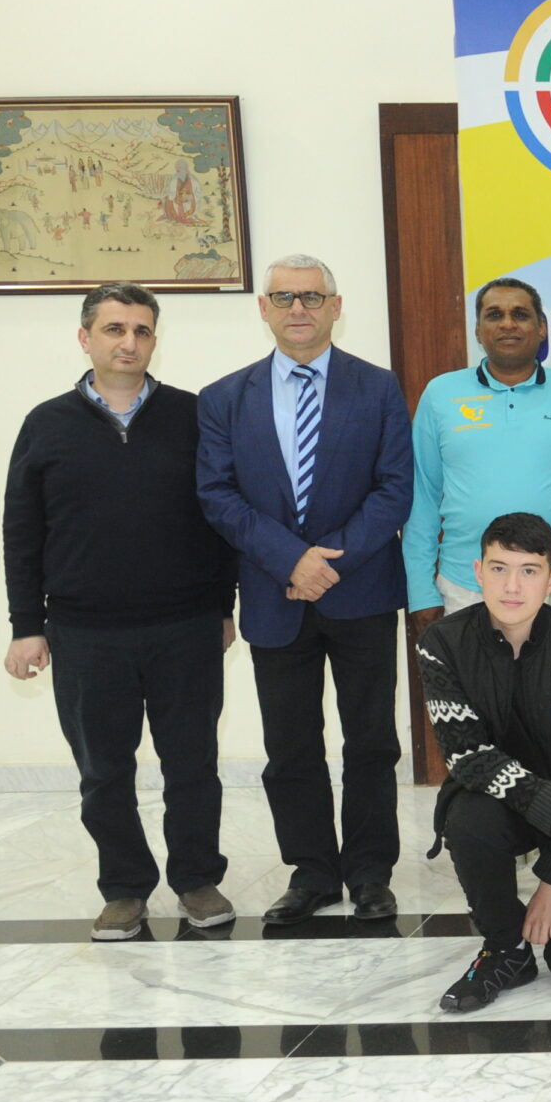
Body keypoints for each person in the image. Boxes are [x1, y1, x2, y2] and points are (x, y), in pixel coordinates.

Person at [3, 282, 238, 940]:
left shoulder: (194, 416)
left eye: (141, 330)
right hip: (85, 632)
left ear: (154, 339)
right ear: (86, 338)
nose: (128, 342)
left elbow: (222, 517)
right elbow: (22, 532)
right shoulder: (46, 423)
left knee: (193, 765)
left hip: (185, 626)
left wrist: (223, 606)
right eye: (114, 329)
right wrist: (26, 627)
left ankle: (196, 879)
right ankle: (125, 889)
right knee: (104, 772)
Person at [196, 254, 412, 924]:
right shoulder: (223, 398)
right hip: (273, 593)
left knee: (371, 741)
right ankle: (312, 871)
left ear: (335, 307)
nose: (298, 308)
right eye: (284, 297)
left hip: (362, 591)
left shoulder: (378, 387)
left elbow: (394, 489)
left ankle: (370, 872)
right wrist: (292, 561)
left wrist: (328, 562)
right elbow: (217, 495)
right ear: (263, 308)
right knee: (290, 746)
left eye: (312, 297)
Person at [418, 513, 551, 1011]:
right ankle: (505, 947)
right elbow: (470, 758)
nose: (512, 586)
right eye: (499, 568)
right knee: (466, 819)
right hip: (503, 808)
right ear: (478, 572)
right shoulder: (441, 644)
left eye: (529, 571)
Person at [402, 276, 551, 631]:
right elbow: (421, 497)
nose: (507, 324)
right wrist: (422, 592)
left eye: (520, 314)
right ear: (477, 330)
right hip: (465, 586)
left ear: (542, 328)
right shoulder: (441, 394)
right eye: (494, 315)